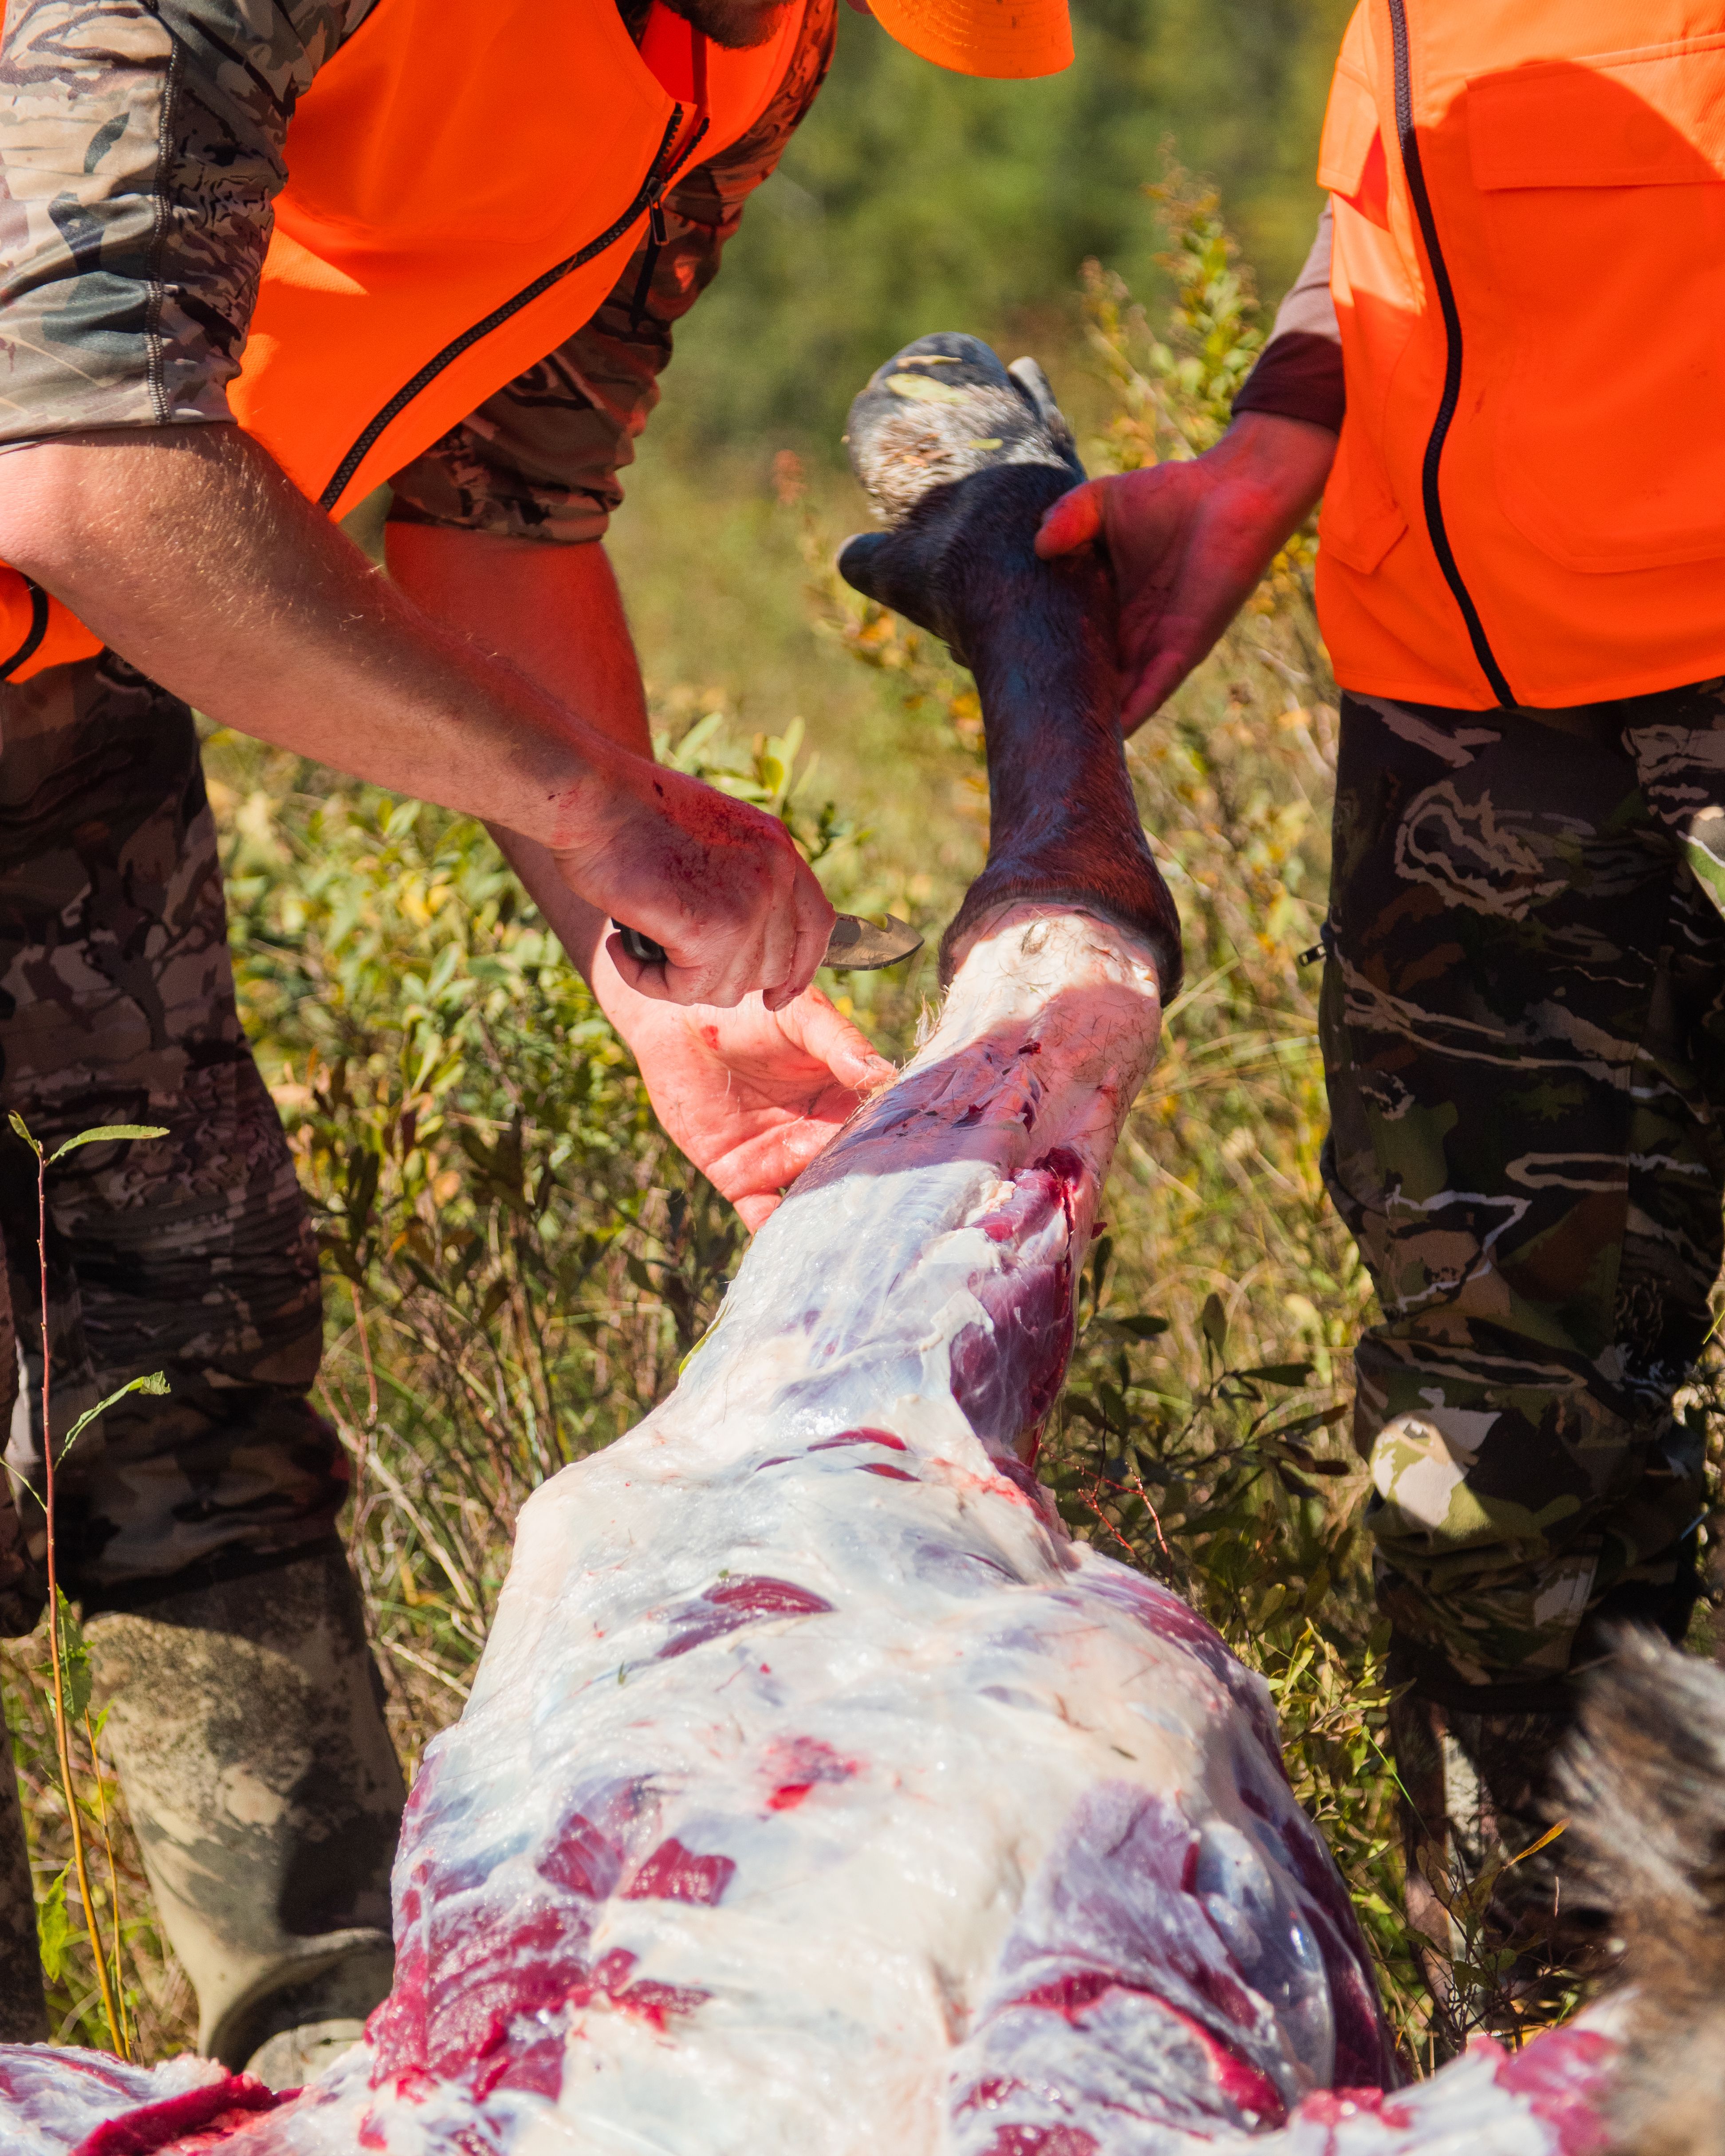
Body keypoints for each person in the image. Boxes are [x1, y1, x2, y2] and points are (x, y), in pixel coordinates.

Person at [0, 0, 1073, 2079]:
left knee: (186, 1363)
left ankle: (339, 2080)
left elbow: (506, 517)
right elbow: (79, 462)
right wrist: (596, 811)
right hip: (69, 555)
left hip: (55, 684)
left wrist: (645, 952)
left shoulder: (738, 58)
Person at [1036, 0, 1725, 2006]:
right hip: (1467, 739)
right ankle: (1555, 2071)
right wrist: (1276, 445)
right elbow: (1417, 200)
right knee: (1495, 1464)